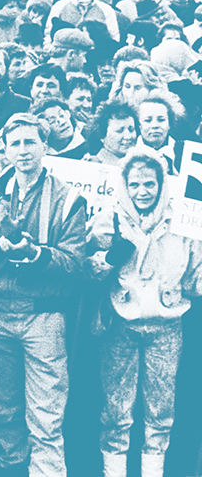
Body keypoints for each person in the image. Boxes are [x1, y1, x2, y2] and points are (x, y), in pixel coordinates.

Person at [0, 113, 87, 477]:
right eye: (15, 143)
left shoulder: (68, 198)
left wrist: (35, 255)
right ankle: (12, 468)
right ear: (4, 149)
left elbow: (76, 261)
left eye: (31, 142)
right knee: (3, 409)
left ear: (46, 146)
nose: (23, 150)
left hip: (42, 315)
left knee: (46, 412)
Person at [86, 151, 202, 477]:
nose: (142, 191)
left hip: (167, 327)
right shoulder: (110, 219)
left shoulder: (181, 222)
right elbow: (85, 269)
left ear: (162, 184)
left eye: (149, 183)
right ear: (124, 184)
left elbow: (195, 277)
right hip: (121, 326)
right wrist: (111, 256)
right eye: (134, 184)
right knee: (115, 411)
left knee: (161, 412)